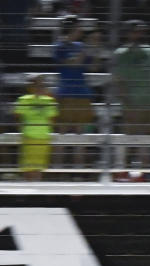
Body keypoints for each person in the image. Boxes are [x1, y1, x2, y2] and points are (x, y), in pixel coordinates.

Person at [114, 20, 150, 170]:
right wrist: (126, 100)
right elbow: (119, 79)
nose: (139, 34)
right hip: (131, 102)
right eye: (136, 31)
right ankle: (123, 170)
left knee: (147, 138)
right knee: (129, 137)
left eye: (141, 31)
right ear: (128, 33)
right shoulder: (121, 53)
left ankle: (144, 170)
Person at [53, 15, 96, 167]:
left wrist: (94, 48)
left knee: (80, 135)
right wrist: (86, 49)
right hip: (66, 94)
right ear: (71, 27)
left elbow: (93, 67)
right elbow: (72, 64)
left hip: (82, 94)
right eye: (79, 26)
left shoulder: (81, 46)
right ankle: (57, 171)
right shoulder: (60, 46)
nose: (81, 29)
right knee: (62, 133)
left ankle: (79, 170)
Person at [14, 75, 58, 181]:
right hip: (28, 136)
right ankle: (26, 192)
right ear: (30, 87)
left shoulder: (49, 101)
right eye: (36, 85)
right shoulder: (23, 100)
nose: (39, 88)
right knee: (27, 167)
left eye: (41, 85)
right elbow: (18, 117)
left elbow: (52, 119)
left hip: (43, 136)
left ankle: (36, 190)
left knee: (39, 167)